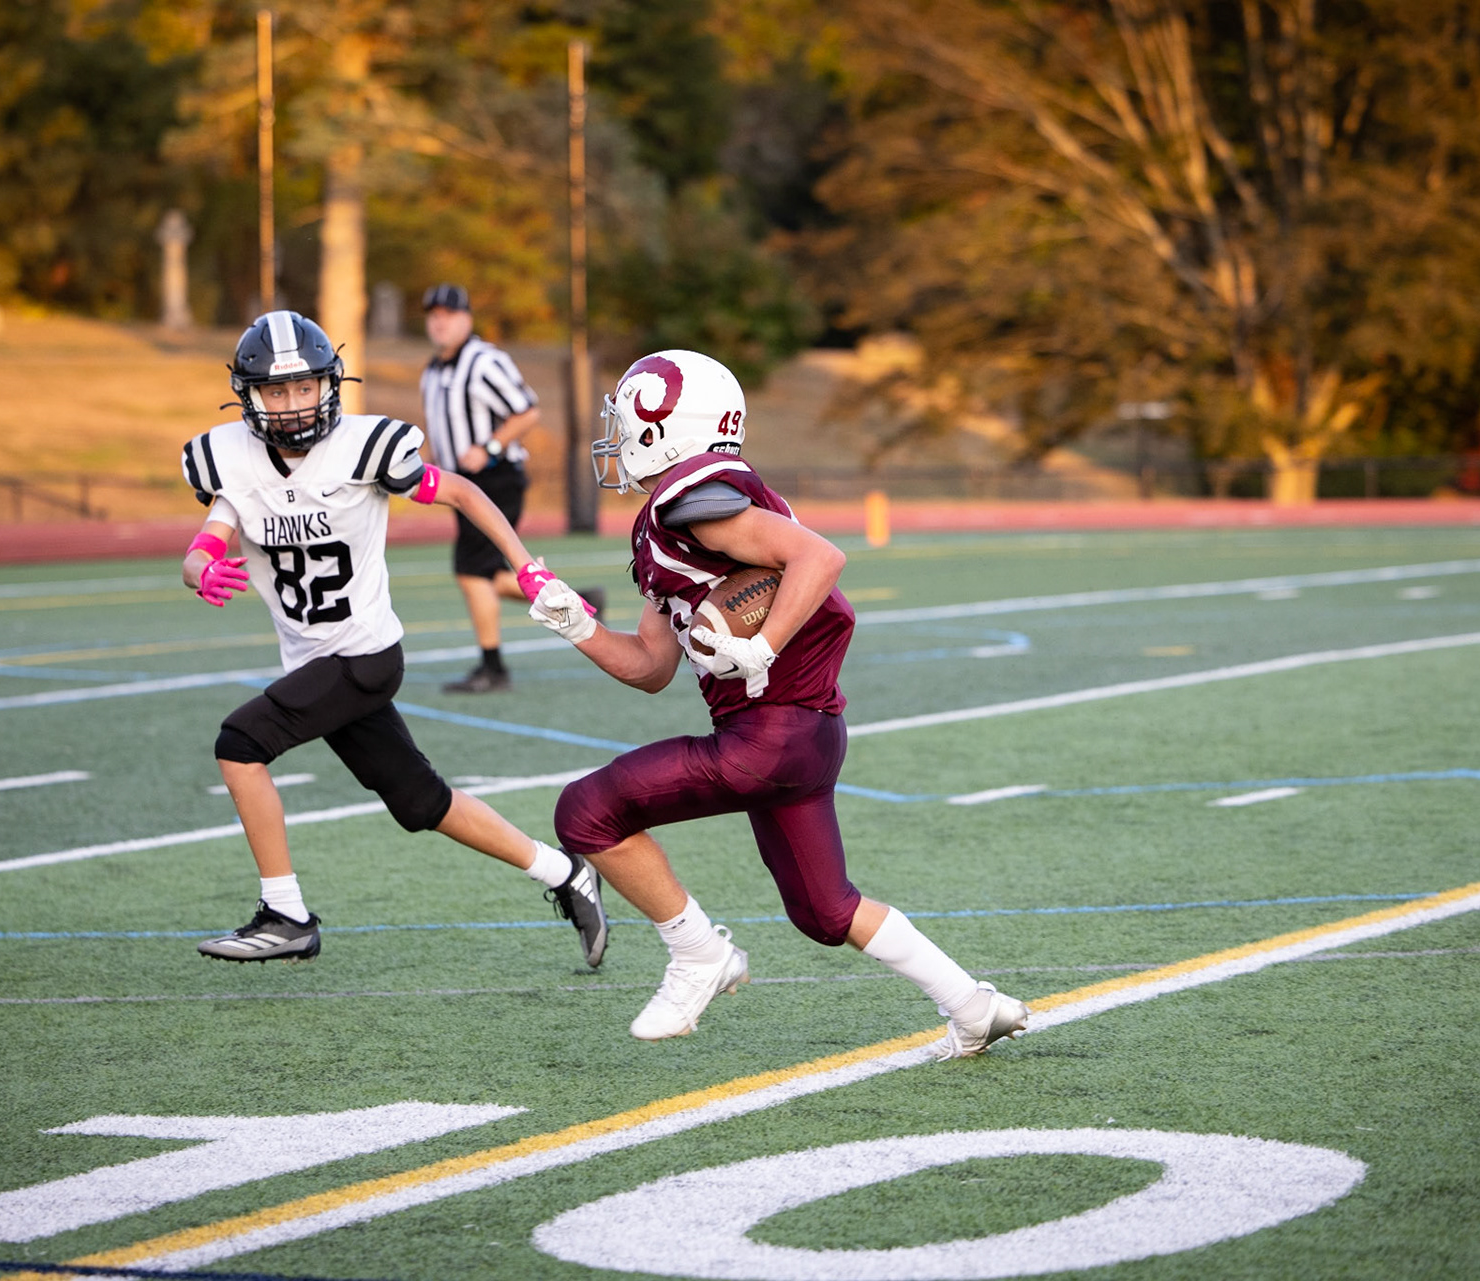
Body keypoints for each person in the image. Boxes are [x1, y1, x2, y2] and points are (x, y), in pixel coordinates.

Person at [525, 349, 1029, 1058]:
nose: (618, 432)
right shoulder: (673, 521)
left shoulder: (692, 496)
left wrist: (761, 648)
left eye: (628, 415)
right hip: (805, 735)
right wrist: (577, 625)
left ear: (667, 423)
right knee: (825, 912)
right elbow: (649, 667)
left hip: (769, 733)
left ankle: (698, 953)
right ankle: (973, 1005)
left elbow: (820, 557)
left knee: (585, 811)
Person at [177, 308, 607, 967]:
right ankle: (565, 872)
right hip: (315, 662)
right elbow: (208, 539)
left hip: (363, 657)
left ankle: (286, 914)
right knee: (420, 802)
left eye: (304, 387)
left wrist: (525, 565)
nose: (293, 405)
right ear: (250, 396)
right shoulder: (230, 461)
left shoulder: (364, 446)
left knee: (239, 744)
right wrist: (200, 569)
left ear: (329, 385)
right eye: (276, 391)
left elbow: (464, 493)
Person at [418, 283, 602, 693]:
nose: (440, 322)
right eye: (433, 315)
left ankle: (493, 667)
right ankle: (575, 599)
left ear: (467, 318)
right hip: (460, 483)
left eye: (448, 314)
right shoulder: (433, 370)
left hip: (494, 477)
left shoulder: (484, 361)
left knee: (472, 571)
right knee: (485, 571)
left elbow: (527, 410)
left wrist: (490, 447)